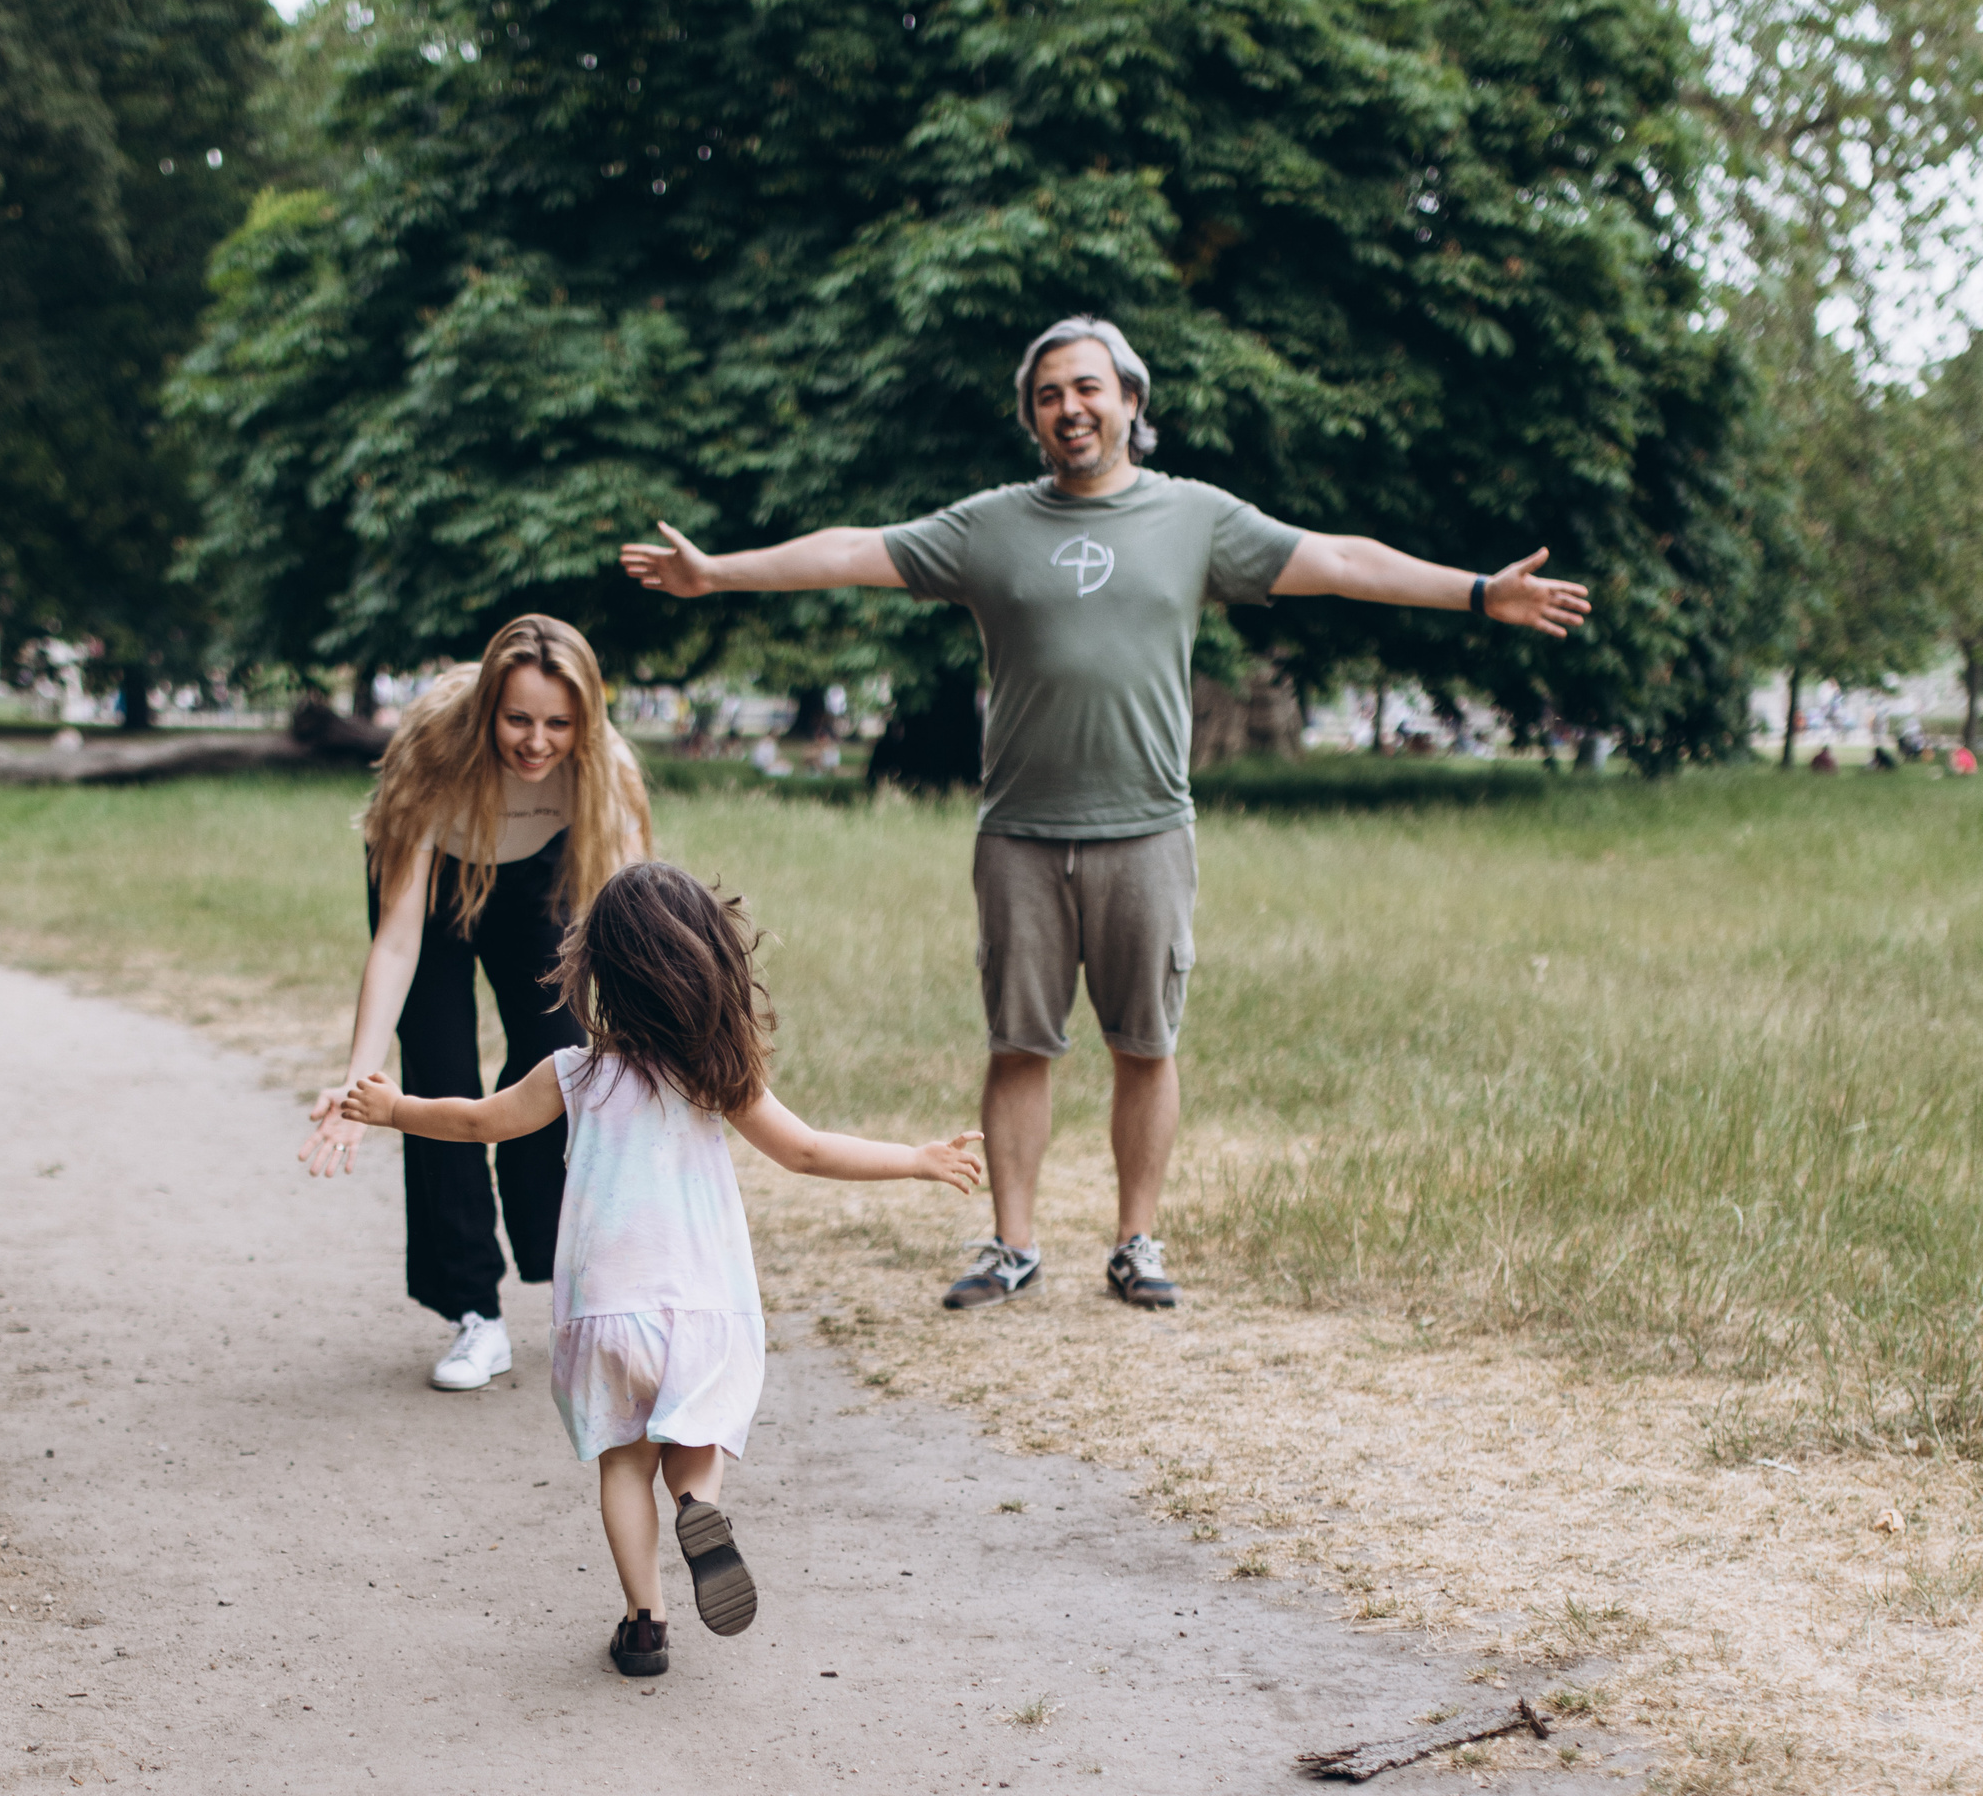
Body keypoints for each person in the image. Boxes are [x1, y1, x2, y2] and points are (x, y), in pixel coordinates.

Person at [621, 314, 1590, 1317]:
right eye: (1047, 395)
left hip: (1147, 830)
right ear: (1032, 418)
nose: (1068, 408)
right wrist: (718, 571)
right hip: (1020, 836)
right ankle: (1012, 1244)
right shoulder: (989, 527)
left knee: (1145, 1043)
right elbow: (854, 549)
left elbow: (1341, 560)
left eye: (1087, 388)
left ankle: (1135, 1240)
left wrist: (1478, 592)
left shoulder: (1195, 518)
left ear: (1130, 400)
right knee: (1018, 1043)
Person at [337, 860, 984, 1676]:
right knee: (693, 1440)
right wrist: (916, 1159)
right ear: (710, 964)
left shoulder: (574, 1072)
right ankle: (699, 1507)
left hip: (607, 1314)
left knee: (622, 1459)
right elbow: (810, 1152)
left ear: (599, 971)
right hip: (704, 1311)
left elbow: (476, 1124)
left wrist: (393, 1109)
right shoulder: (718, 1076)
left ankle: (645, 1624)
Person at [299, 616, 653, 1391]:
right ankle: (474, 1315)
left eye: (559, 723)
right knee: (438, 1083)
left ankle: (575, 1292)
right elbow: (396, 942)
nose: (537, 741)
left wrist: (646, 1039)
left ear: (585, 720)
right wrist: (361, 1085)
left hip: (541, 879)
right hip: (435, 886)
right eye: (518, 719)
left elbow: (633, 915)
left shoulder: (605, 770)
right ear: (488, 706)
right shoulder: (434, 755)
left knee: (564, 1066)